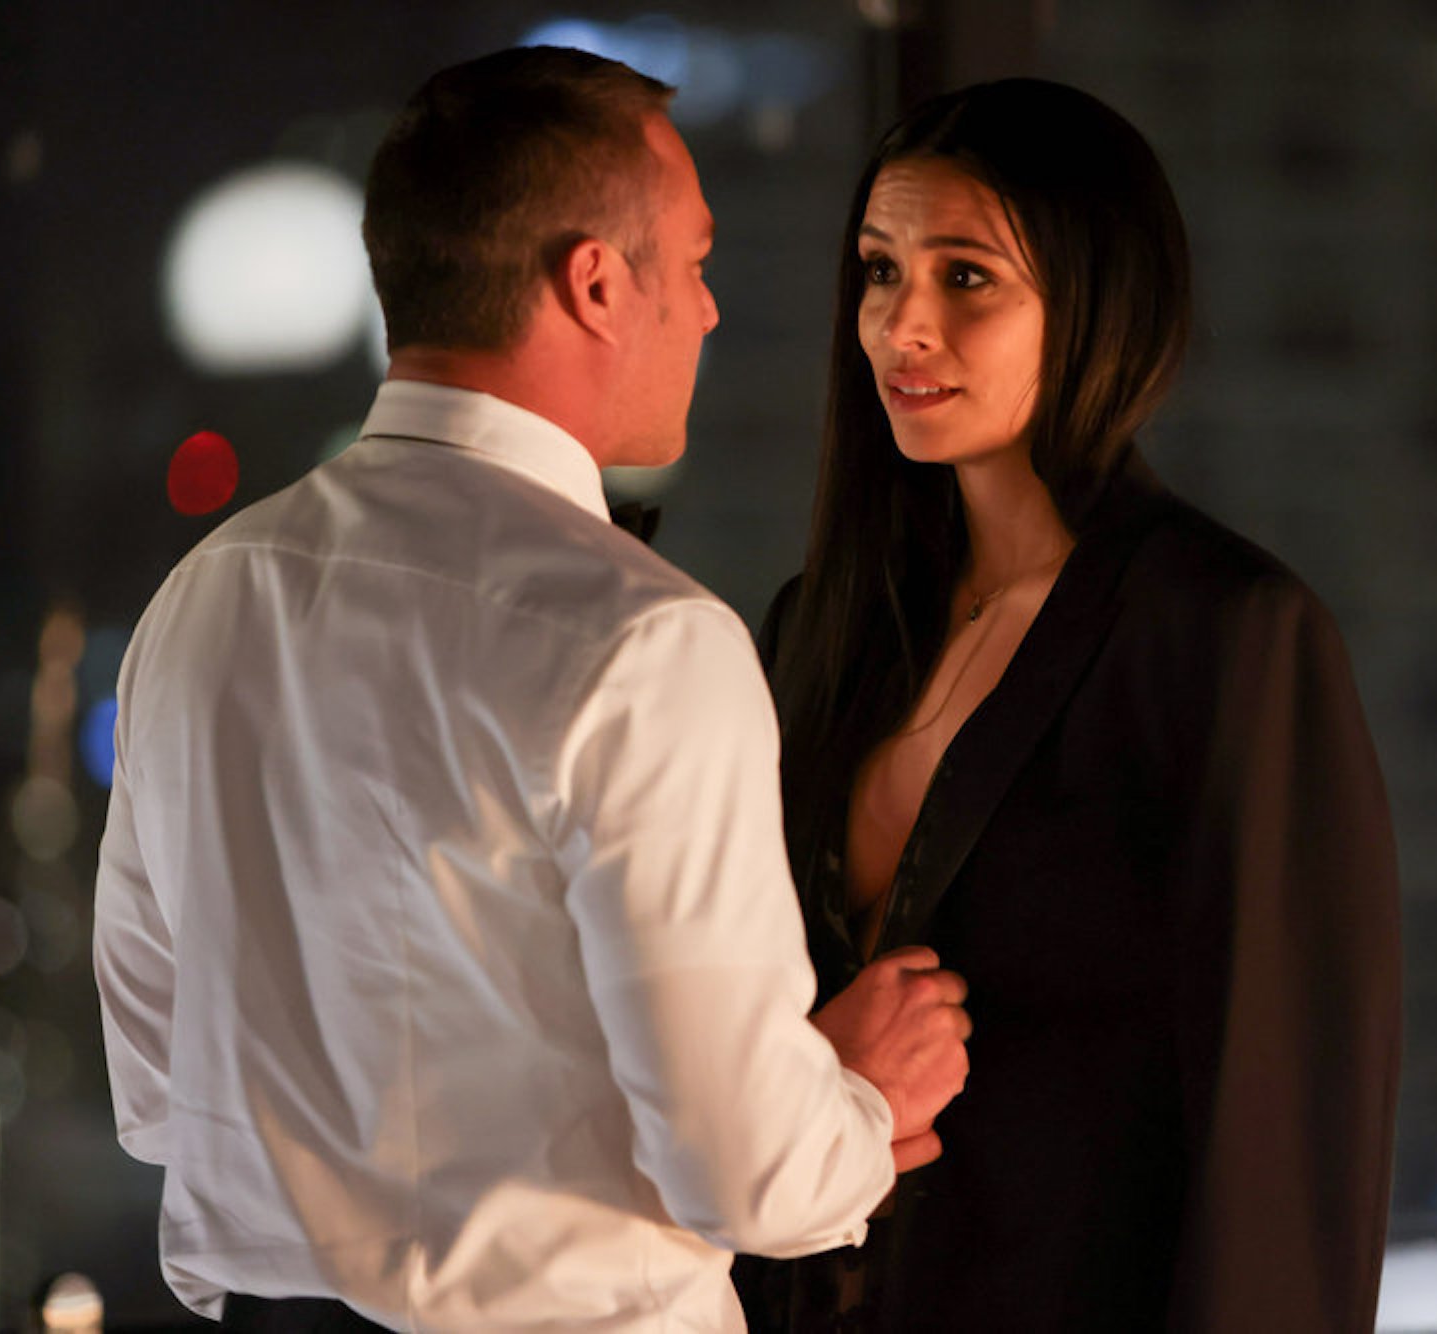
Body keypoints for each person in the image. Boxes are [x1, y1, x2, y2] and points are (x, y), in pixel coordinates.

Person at [93, 47, 969, 1333]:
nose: (712, 310)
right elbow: (752, 1170)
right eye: (698, 261)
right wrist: (849, 1103)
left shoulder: (204, 595)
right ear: (598, 282)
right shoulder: (644, 642)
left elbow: (158, 1078)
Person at [736, 79, 1401, 1331]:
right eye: (879, 272)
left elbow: (1283, 1158)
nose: (899, 326)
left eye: (965, 277)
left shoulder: (1228, 637)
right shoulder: (815, 626)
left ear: (1096, 301)